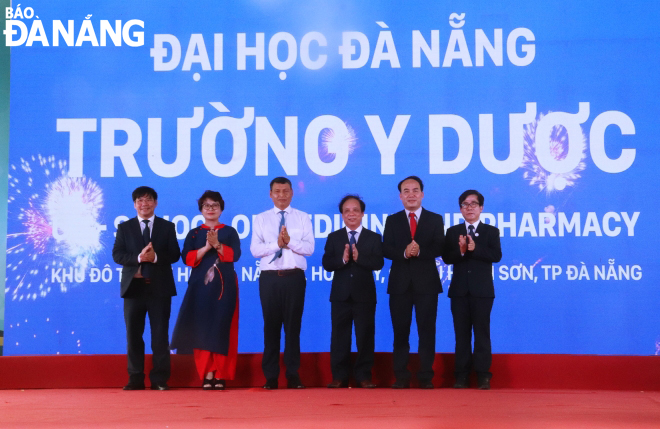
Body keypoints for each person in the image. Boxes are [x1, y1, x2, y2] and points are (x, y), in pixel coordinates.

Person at [170, 191, 241, 390]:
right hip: (200, 287)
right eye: (206, 205)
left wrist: (218, 244)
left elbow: (234, 255)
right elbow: (187, 259)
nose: (210, 209)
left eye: (215, 205)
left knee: (221, 328)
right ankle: (207, 374)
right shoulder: (194, 233)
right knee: (201, 329)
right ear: (201, 209)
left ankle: (220, 374)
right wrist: (207, 246)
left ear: (221, 208)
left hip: (224, 287)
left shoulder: (229, 231)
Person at [112, 186, 181, 391]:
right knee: (133, 335)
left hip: (159, 289)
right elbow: (117, 255)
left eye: (148, 200)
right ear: (135, 204)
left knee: (160, 335)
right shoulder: (125, 228)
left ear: (155, 203)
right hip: (133, 289)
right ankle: (135, 378)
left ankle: (159, 379)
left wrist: (156, 257)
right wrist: (139, 258)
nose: (144, 204)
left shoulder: (167, 227)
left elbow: (175, 254)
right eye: (140, 200)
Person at [250, 177, 314, 389]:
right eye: (277, 191)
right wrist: (275, 244)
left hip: (294, 278)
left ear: (292, 193)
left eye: (285, 191)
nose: (281, 195)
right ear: (270, 194)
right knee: (271, 328)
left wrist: (289, 242)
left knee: (293, 328)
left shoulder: (303, 218)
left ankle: (293, 375)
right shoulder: (261, 219)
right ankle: (270, 377)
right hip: (270, 279)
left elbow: (309, 249)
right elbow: (255, 250)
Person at [383, 176, 444, 389]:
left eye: (415, 190)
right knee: (401, 332)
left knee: (427, 331)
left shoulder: (435, 219)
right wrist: (403, 252)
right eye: (406, 191)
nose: (411, 194)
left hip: (427, 284)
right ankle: (401, 376)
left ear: (422, 194)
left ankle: (425, 376)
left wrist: (420, 251)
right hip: (399, 284)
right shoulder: (392, 220)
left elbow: (440, 246)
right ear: (400, 196)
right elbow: (386, 248)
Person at [322, 195, 384, 389]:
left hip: (364, 295)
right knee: (339, 337)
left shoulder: (373, 237)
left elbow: (378, 262)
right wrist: (342, 259)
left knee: (365, 336)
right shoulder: (334, 237)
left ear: (362, 214)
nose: (351, 214)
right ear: (342, 214)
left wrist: (359, 258)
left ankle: (364, 376)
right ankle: (340, 377)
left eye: (355, 210)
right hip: (340, 295)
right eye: (347, 211)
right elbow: (327, 263)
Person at [443, 190, 502, 390]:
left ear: (481, 208)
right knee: (461, 335)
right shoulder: (452, 232)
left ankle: (484, 376)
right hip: (459, 291)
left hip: (483, 292)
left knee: (482, 333)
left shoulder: (491, 232)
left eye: (473, 204)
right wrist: (461, 251)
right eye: (465, 204)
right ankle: (461, 376)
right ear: (460, 209)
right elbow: (447, 258)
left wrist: (475, 248)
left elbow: (496, 255)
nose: (469, 208)